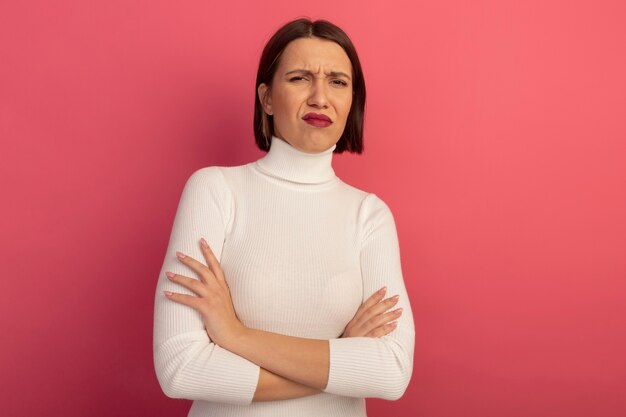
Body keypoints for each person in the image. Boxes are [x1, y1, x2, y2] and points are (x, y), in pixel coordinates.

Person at [153, 18, 415, 417]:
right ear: (267, 98)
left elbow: (391, 372)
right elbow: (181, 369)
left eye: (338, 82)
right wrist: (343, 357)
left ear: (352, 101)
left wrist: (236, 336)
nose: (320, 97)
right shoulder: (215, 191)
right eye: (299, 78)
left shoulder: (370, 215)